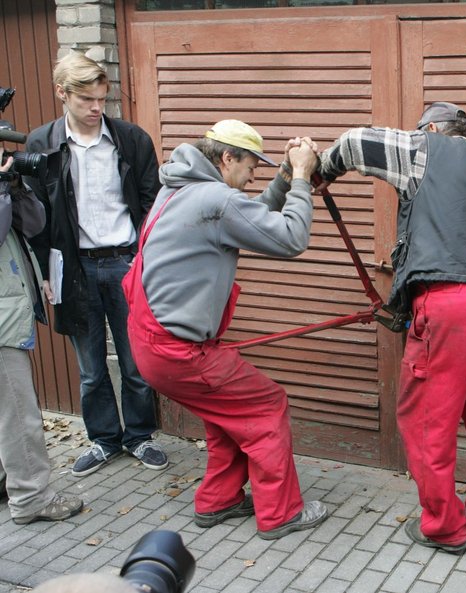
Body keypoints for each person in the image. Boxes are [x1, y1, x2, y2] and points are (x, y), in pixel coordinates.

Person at [316, 102, 466, 554]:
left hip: (453, 304)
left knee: (427, 418)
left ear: (431, 129)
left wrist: (321, 170)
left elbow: (353, 143)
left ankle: (445, 528)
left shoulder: (428, 147)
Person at [123, 119, 328, 540]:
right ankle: (281, 513)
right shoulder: (214, 198)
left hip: (151, 345)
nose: (253, 174)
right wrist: (303, 179)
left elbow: (246, 215)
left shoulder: (177, 189)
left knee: (227, 415)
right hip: (179, 352)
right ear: (227, 157)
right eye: (250, 164)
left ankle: (219, 500)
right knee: (267, 405)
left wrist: (285, 178)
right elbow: (291, 238)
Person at [24, 51, 166, 476]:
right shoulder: (42, 144)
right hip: (74, 269)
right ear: (61, 94)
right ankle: (104, 440)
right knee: (90, 368)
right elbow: (35, 217)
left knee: (136, 363)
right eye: (86, 100)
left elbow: (152, 204)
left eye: (101, 99)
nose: (95, 109)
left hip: (126, 262)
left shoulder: (131, 140)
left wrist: (148, 261)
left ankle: (139, 436)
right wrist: (44, 274)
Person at [0, 155, 83, 524]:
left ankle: (8, 481)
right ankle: (31, 496)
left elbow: (34, 225)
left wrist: (16, 189)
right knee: (19, 414)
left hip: (8, 311)